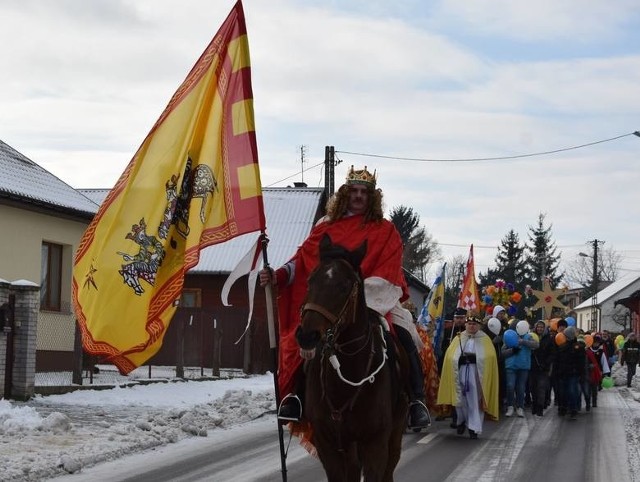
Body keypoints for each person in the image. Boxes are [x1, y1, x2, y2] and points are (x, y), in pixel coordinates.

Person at [259, 166, 430, 429]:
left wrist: (362, 298)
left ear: (372, 197)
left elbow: (388, 270)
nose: (358, 196)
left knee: (405, 334)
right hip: (329, 301)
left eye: (364, 192)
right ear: (345, 193)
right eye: (354, 191)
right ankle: (295, 398)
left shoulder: (385, 230)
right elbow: (302, 260)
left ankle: (415, 401)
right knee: (303, 339)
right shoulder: (325, 226)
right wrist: (278, 275)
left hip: (375, 300)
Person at [437, 315, 499, 439]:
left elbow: (490, 358)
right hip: (460, 372)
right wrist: (459, 359)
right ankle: (461, 421)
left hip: (477, 375)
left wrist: (476, 358)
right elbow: (449, 356)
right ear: (465, 325)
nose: (471, 326)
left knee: (475, 401)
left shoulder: (485, 339)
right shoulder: (459, 338)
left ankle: (474, 427)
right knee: (460, 401)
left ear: (479, 326)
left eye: (474, 324)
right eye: (469, 324)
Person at [502, 320, 539, 417]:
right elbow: (503, 352)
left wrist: (523, 342)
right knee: (510, 386)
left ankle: (520, 407)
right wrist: (513, 350)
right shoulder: (509, 337)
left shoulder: (528, 336)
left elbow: (536, 345)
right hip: (511, 366)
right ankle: (510, 406)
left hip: (523, 366)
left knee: (521, 388)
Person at [530, 320, 554, 417]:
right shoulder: (531, 337)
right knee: (532, 388)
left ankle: (540, 407)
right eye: (538, 327)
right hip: (532, 367)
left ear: (544, 329)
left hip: (543, 368)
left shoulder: (548, 339)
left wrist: (546, 364)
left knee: (541, 388)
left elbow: (552, 354)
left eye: (542, 327)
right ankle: (534, 405)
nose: (540, 329)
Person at [585, 334, 610, 408]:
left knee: (594, 389)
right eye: (595, 342)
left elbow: (604, 362)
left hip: (596, 373)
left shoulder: (601, 352)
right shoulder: (588, 351)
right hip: (588, 372)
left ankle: (594, 402)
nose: (596, 344)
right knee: (588, 389)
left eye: (598, 343)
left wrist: (605, 373)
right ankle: (588, 403)